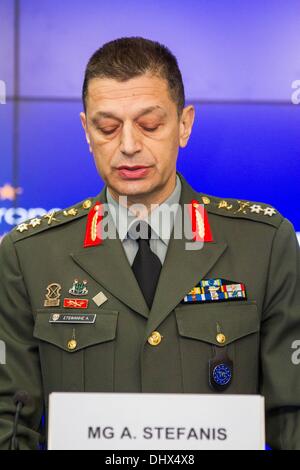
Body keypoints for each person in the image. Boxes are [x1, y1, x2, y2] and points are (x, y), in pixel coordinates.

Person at [0, 37, 299, 450]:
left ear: (185, 124)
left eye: (149, 124)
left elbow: (292, 416)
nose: (128, 145)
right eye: (107, 127)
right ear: (86, 131)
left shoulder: (263, 244)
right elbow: (8, 423)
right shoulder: (28, 255)